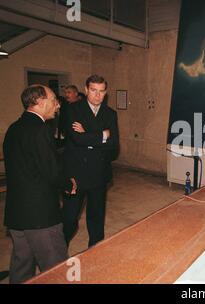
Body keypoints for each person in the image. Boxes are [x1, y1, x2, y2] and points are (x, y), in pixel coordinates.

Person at [3, 85, 77, 283]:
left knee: (21, 269)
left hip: (17, 214)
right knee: (59, 270)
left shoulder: (13, 128)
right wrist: (68, 184)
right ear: (40, 102)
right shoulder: (40, 129)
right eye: (54, 99)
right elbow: (50, 170)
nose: (57, 104)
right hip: (40, 216)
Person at [63, 75, 119, 247]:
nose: (97, 95)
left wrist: (87, 133)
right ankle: (57, 253)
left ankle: (96, 251)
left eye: (101, 91)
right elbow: (76, 139)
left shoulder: (110, 113)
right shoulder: (72, 110)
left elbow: (114, 144)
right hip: (76, 174)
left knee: (96, 218)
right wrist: (103, 134)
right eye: (93, 90)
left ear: (106, 92)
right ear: (86, 90)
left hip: (99, 173)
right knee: (69, 218)